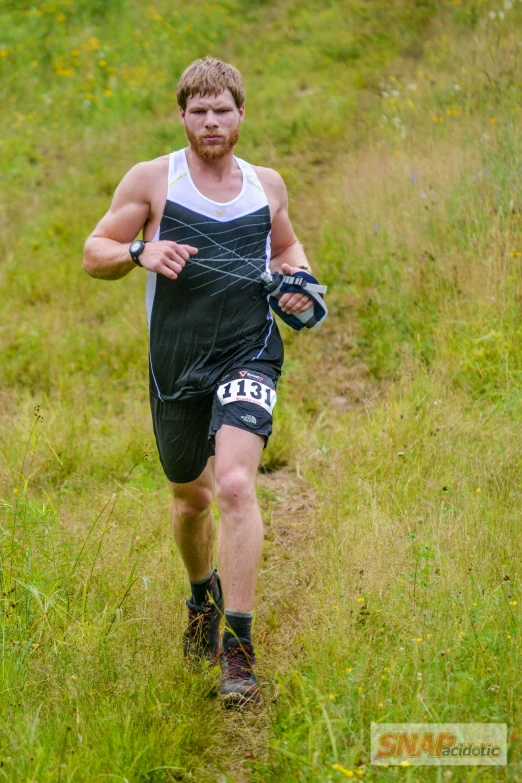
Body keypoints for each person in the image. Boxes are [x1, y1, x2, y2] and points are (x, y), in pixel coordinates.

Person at [83, 57, 314, 707]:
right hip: (176, 364)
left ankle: (238, 651)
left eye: (223, 109)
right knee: (192, 497)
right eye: (199, 110)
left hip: (250, 350)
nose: (211, 121)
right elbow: (93, 250)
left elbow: (287, 247)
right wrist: (138, 252)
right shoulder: (155, 180)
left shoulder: (267, 185)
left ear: (242, 114)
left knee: (237, 483)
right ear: (181, 115)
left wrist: (299, 282)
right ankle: (200, 596)